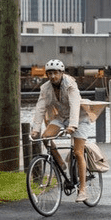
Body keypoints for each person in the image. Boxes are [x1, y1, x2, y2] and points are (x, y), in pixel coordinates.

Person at [31, 59, 92, 202]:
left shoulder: (70, 84)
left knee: (78, 152)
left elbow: (75, 105)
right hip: (62, 116)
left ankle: (82, 190)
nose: (53, 76)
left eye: (55, 73)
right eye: (50, 73)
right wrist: (35, 129)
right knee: (45, 137)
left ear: (62, 73)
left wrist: (73, 125)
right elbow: (40, 108)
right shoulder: (45, 88)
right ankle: (61, 163)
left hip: (80, 118)